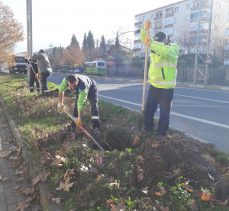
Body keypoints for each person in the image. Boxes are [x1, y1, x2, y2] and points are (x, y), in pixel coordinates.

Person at [141, 20, 179, 136]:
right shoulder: (155, 45)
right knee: (149, 110)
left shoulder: (173, 47)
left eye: (159, 43)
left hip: (166, 88)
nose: (155, 47)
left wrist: (152, 43)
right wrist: (144, 29)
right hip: (154, 85)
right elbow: (145, 39)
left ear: (165, 41)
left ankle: (161, 134)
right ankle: (147, 129)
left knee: (164, 113)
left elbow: (165, 52)